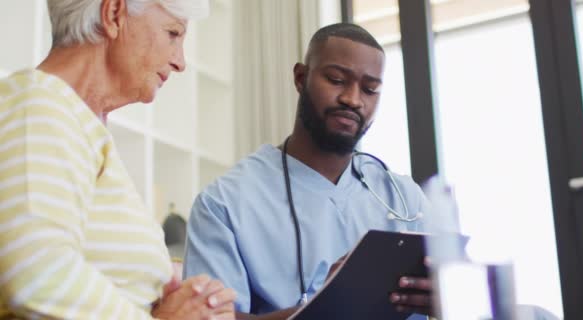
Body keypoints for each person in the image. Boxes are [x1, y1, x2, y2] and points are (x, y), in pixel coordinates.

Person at [0, 0, 236, 319]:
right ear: (114, 15)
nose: (180, 62)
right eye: (173, 34)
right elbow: (36, 275)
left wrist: (164, 288)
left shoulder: (78, 126)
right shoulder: (39, 105)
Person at [184, 23, 432, 320]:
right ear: (301, 78)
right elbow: (207, 318)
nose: (353, 99)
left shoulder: (406, 199)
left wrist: (449, 299)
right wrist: (324, 308)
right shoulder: (224, 203)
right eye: (337, 80)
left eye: (370, 89)